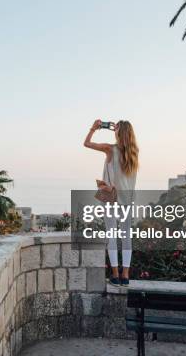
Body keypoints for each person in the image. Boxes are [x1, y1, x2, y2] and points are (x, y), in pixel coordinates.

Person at [84, 119, 139, 286]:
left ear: (118, 132)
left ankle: (115, 275)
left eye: (116, 129)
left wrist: (94, 128)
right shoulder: (134, 152)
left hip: (110, 198)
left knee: (112, 235)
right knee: (126, 236)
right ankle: (126, 275)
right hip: (127, 200)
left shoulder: (110, 149)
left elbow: (86, 143)